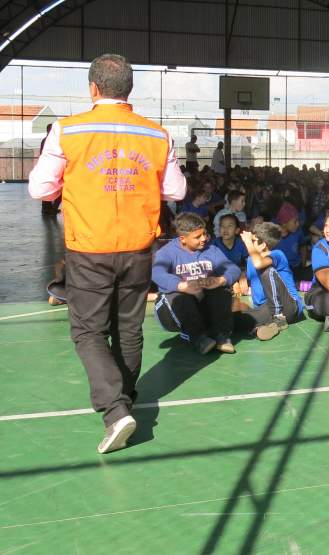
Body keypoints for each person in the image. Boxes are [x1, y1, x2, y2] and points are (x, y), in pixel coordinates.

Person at [28, 53, 187, 453]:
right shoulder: (156, 134)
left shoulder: (67, 130)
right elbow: (177, 191)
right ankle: (125, 400)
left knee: (87, 330)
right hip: (137, 246)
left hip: (89, 247)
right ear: (129, 89)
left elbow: (40, 190)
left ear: (93, 88)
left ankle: (115, 412)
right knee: (128, 329)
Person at [151, 213, 240, 354]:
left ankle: (221, 335)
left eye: (204, 234)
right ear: (183, 239)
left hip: (201, 307)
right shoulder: (166, 252)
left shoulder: (211, 250)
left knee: (221, 289)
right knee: (177, 295)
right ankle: (197, 337)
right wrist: (182, 286)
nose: (204, 238)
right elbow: (156, 273)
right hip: (172, 313)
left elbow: (233, 268)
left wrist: (220, 280)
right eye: (197, 237)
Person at [235, 222, 305, 341]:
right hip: (266, 307)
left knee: (267, 271)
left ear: (263, 245)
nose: (249, 245)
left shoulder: (277, 254)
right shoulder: (251, 259)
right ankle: (263, 326)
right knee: (238, 321)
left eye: (253, 241)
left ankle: (277, 320)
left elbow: (259, 264)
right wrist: (241, 276)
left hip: (289, 306)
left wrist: (248, 242)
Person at [213, 213, 249, 296]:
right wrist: (232, 282)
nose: (225, 229)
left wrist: (242, 275)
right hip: (220, 279)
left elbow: (248, 263)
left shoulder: (241, 244)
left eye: (230, 226)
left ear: (237, 230)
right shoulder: (214, 245)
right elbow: (213, 269)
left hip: (239, 275)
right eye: (222, 226)